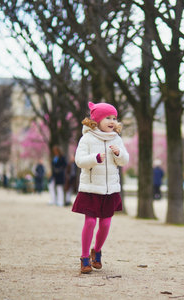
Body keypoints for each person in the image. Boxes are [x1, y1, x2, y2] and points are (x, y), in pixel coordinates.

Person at [72, 102, 129, 274]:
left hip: (109, 190)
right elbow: (79, 160)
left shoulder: (116, 139)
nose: (112, 121)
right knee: (90, 222)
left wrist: (119, 153)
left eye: (114, 118)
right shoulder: (87, 138)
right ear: (96, 120)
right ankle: (84, 258)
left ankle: (96, 251)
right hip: (91, 188)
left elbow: (124, 161)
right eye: (107, 118)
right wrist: (95, 158)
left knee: (105, 223)